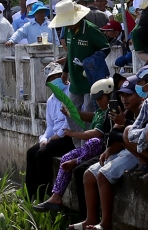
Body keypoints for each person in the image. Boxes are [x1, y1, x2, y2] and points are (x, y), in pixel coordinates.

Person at [74, 76, 146, 230]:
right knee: (88, 174)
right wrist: (109, 151)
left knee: (103, 174)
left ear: (140, 95)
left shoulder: (144, 109)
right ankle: (90, 218)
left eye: (128, 95)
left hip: (138, 152)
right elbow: (117, 135)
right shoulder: (126, 111)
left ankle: (106, 223)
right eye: (122, 95)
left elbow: (139, 138)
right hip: (124, 149)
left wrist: (124, 122)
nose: (124, 99)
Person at [33, 77, 115, 212]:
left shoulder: (111, 112)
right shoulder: (101, 111)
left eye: (101, 98)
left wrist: (73, 134)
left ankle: (77, 161)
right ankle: (56, 196)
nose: (99, 102)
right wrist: (72, 113)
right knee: (65, 158)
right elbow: (92, 116)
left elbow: (96, 134)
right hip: (89, 148)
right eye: (97, 99)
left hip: (102, 147)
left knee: (93, 142)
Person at [25, 64, 76, 199]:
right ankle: (30, 196)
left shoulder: (71, 92)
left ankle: (44, 194)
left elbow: (70, 121)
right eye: (52, 78)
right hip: (54, 136)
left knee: (42, 154)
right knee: (31, 152)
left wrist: (55, 137)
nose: (56, 80)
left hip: (68, 136)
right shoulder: (51, 100)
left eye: (58, 76)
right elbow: (50, 125)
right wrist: (44, 139)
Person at [49, 0, 110, 112]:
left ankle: (88, 130)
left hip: (89, 77)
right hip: (75, 79)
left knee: (88, 109)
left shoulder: (90, 29)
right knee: (70, 109)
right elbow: (70, 52)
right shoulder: (67, 31)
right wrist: (65, 71)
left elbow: (106, 48)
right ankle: (74, 130)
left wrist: (91, 61)